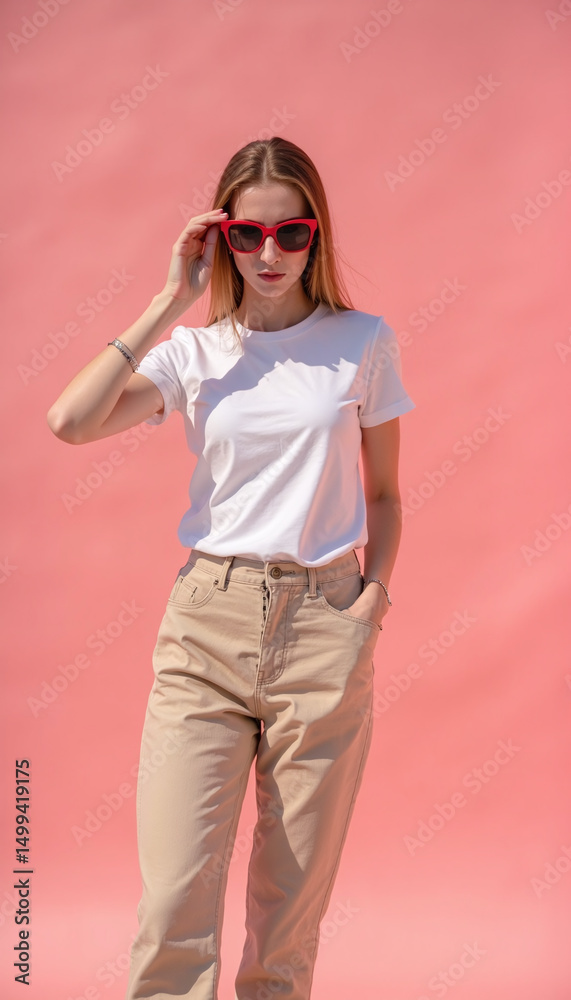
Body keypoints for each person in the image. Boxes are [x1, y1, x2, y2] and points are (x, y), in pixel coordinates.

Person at [47, 136, 415, 1000]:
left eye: (291, 233)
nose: (269, 253)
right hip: (206, 627)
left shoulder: (362, 342)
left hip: (323, 624)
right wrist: (165, 301)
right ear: (221, 240)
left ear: (316, 235)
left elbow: (385, 493)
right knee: (174, 900)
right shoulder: (196, 352)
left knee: (287, 918)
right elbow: (70, 421)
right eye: (247, 235)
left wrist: (370, 603)